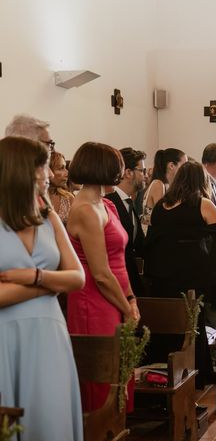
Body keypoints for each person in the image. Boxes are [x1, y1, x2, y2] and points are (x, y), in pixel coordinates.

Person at [0, 137, 85, 441]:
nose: (48, 173)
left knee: (51, 428)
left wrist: (35, 276)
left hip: (49, 335)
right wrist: (51, 284)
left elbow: (77, 277)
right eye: (42, 166)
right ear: (18, 171)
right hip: (5, 336)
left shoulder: (47, 216)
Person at [66, 142, 140, 412]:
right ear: (103, 168)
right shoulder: (85, 210)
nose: (120, 172)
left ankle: (115, 432)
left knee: (118, 369)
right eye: (117, 166)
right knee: (102, 376)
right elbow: (100, 273)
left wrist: (131, 298)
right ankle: (99, 438)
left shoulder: (105, 204)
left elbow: (119, 261)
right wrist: (126, 306)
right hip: (94, 302)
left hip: (115, 296)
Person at [144, 161, 216, 388]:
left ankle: (164, 373)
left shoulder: (161, 206)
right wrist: (212, 272)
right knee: (192, 324)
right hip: (191, 275)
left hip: (162, 275)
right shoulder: (203, 204)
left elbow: (151, 241)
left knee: (167, 323)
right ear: (201, 181)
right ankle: (197, 373)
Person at [105, 147, 147, 297]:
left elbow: (139, 244)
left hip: (131, 279)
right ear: (128, 173)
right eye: (142, 171)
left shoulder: (129, 202)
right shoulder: (110, 202)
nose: (145, 176)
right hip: (117, 284)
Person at [142, 148, 186, 225]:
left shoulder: (168, 186)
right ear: (171, 166)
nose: (187, 169)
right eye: (184, 165)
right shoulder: (158, 184)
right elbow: (163, 216)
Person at [48, 151, 75, 224]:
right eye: (61, 168)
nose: (67, 173)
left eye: (65, 167)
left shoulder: (69, 199)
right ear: (47, 170)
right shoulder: (33, 200)